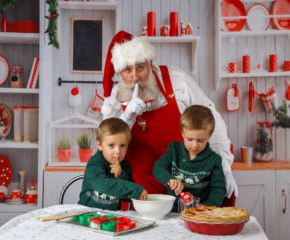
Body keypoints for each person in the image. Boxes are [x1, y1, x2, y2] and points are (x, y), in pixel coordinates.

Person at [101, 31, 238, 199]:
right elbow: (107, 150)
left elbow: (211, 118)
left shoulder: (176, 81)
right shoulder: (114, 101)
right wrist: (127, 119)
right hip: (141, 192)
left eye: (140, 67)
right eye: (127, 70)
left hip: (187, 185)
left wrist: (224, 163)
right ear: (119, 73)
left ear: (149, 63)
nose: (135, 76)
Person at [153, 105, 226, 211]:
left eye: (200, 140)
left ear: (209, 136)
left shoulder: (214, 160)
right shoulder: (174, 149)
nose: (195, 145)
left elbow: (218, 188)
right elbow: (158, 167)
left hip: (200, 212)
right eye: (190, 139)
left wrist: (209, 206)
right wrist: (170, 180)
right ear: (182, 134)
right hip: (172, 210)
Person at [78, 118, 147, 210]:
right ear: (100, 145)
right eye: (111, 145)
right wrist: (135, 190)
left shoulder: (126, 166)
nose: (118, 151)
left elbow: (128, 198)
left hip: (112, 216)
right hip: (87, 213)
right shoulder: (94, 163)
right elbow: (103, 184)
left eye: (122, 145)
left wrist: (121, 175)